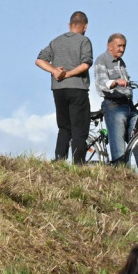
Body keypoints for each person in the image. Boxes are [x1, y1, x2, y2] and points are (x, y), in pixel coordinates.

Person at [35, 11, 93, 164]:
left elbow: (39, 60)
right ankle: (78, 163)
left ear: (69, 25)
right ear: (85, 26)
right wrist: (68, 74)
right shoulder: (84, 41)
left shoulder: (56, 41)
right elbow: (86, 64)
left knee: (64, 126)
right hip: (77, 88)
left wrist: (55, 71)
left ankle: (59, 159)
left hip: (58, 89)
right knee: (79, 128)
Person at [94, 33, 138, 166]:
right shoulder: (101, 60)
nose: (122, 49)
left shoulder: (121, 62)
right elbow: (101, 82)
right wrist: (115, 82)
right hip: (113, 106)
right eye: (119, 46)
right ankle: (121, 174)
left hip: (128, 105)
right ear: (109, 46)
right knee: (118, 145)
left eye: (124, 46)